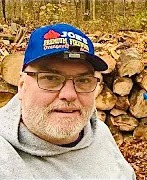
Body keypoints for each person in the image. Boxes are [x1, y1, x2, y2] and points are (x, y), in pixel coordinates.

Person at [0, 23, 136, 179]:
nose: (69, 94)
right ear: (22, 86)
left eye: (83, 80)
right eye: (50, 78)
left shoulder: (100, 133)